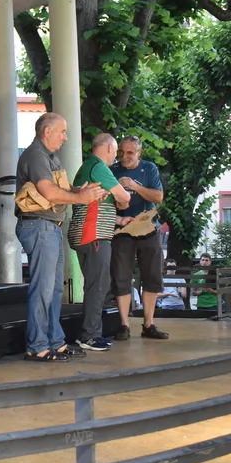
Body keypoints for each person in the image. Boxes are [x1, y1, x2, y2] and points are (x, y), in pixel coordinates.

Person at [15, 112, 105, 362]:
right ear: (47, 132)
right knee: (43, 290)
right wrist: (80, 198)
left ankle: (55, 341)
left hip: (49, 227)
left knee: (54, 290)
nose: (65, 137)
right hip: (39, 226)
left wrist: (82, 191)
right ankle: (37, 346)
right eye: (62, 132)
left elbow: (61, 189)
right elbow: (48, 192)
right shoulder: (36, 155)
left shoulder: (49, 156)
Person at [67, 133, 131, 350]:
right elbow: (125, 197)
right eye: (116, 151)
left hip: (87, 233)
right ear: (109, 148)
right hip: (93, 236)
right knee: (98, 286)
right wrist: (122, 200)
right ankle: (89, 336)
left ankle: (90, 333)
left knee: (97, 284)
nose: (117, 156)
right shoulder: (98, 167)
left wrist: (119, 219)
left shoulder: (88, 167)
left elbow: (96, 207)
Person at [109, 135, 170, 340]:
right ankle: (124, 324)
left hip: (148, 228)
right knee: (121, 276)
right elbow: (105, 202)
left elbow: (158, 197)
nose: (124, 156)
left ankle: (149, 324)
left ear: (139, 153)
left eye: (130, 153)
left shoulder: (149, 168)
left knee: (152, 276)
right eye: (121, 152)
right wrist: (118, 203)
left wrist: (135, 187)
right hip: (122, 230)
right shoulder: (112, 170)